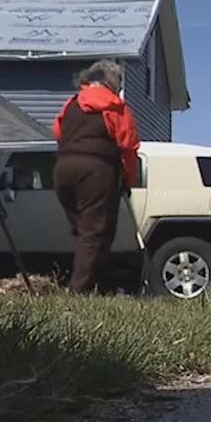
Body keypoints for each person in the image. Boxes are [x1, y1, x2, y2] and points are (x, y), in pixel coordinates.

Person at [51, 59, 142, 294]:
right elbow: (128, 146)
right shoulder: (115, 106)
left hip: (63, 169)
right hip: (96, 171)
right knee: (95, 233)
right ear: (112, 82)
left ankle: (93, 285)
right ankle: (80, 291)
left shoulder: (71, 103)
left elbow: (57, 130)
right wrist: (127, 179)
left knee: (82, 231)